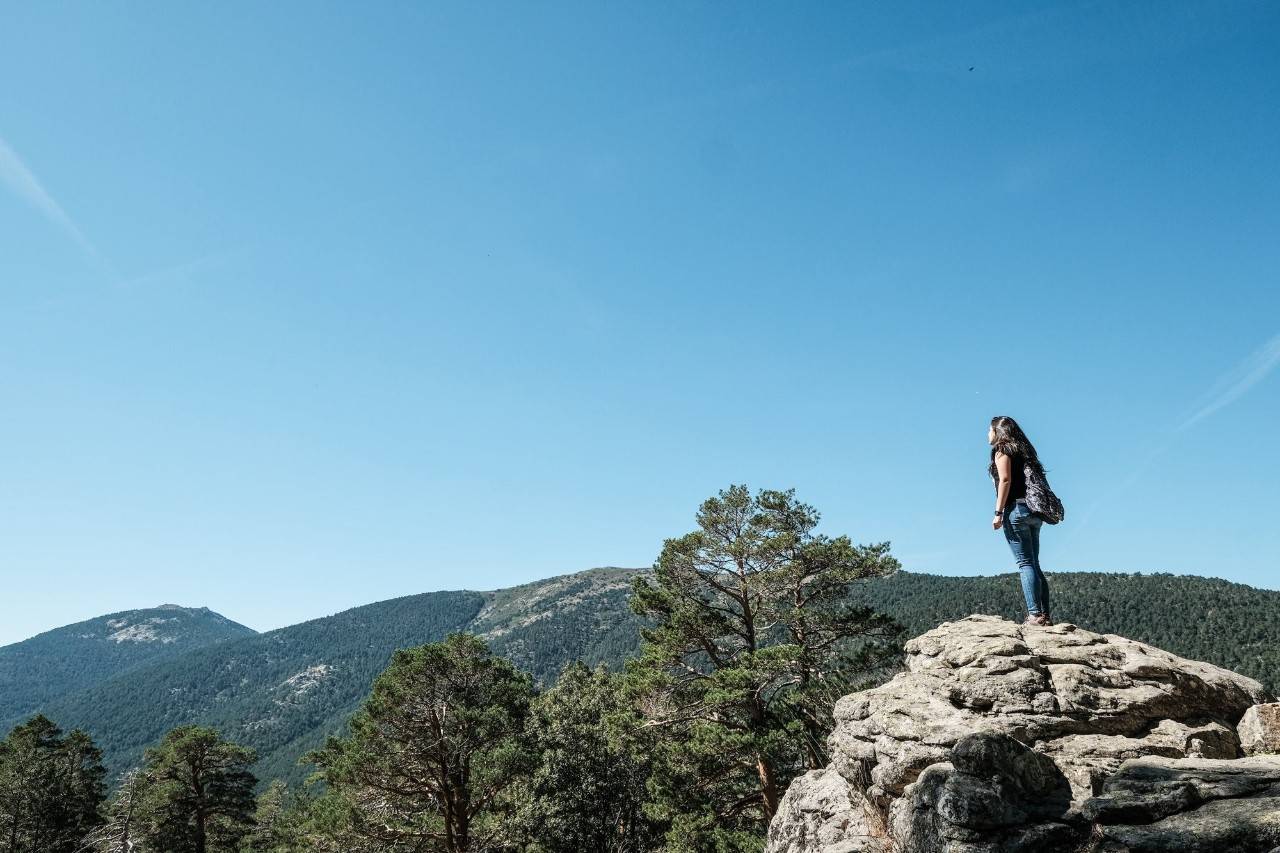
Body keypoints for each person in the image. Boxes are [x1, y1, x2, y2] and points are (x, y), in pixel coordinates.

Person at [988, 416, 1052, 626]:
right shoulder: (1025, 452)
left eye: (989, 430)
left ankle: (1034, 615)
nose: (987, 435)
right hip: (1034, 511)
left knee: (1025, 563)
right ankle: (1045, 615)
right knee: (1034, 563)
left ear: (998, 431)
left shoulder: (1003, 450)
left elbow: (1005, 480)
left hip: (1016, 510)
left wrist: (998, 512)